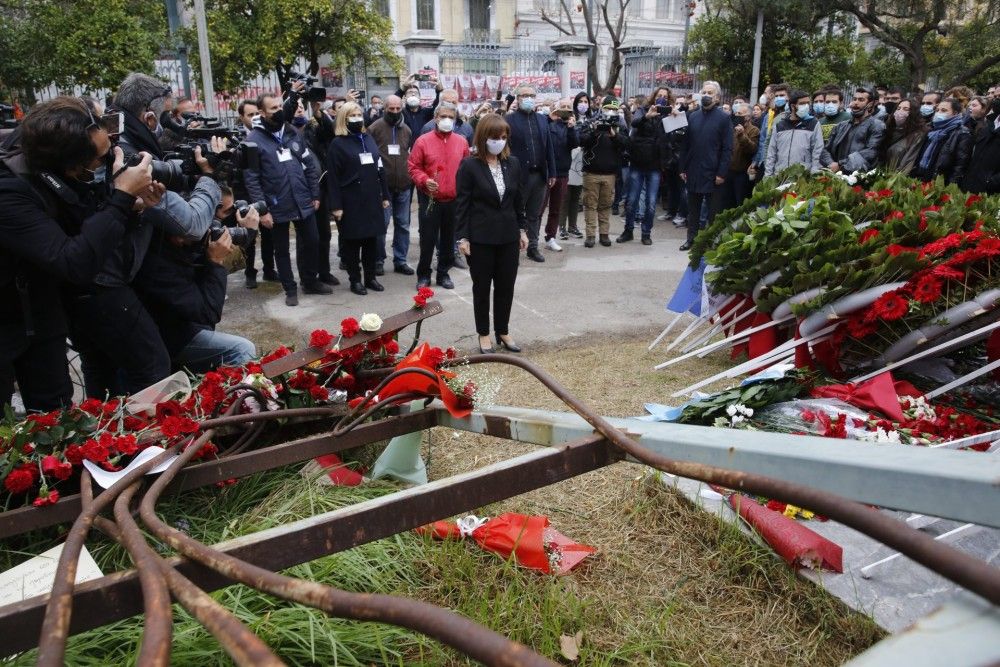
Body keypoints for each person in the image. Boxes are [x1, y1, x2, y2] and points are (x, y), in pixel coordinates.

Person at [0, 97, 155, 410]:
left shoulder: (55, 171)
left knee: (56, 417)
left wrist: (128, 206)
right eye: (96, 161)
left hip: (43, 317)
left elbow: (89, 226)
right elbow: (73, 261)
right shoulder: (10, 190)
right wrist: (121, 197)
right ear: (67, 165)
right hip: (7, 320)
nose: (105, 161)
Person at [134, 188, 257, 372]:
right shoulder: (159, 262)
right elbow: (209, 313)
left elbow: (234, 263)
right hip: (170, 338)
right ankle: (242, 398)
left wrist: (247, 234)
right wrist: (215, 261)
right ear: (178, 232)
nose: (209, 228)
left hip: (181, 327)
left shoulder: (180, 243)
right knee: (242, 349)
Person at [244, 92, 329, 307]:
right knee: (281, 250)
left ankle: (310, 281)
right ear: (262, 113)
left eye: (280, 106)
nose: (279, 111)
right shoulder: (252, 141)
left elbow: (309, 165)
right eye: (273, 108)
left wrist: (314, 193)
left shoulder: (292, 132)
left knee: (312, 241)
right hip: (275, 204)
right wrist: (263, 210)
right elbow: (251, 179)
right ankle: (290, 289)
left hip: (303, 200)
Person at [455, 115, 529, 355]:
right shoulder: (469, 166)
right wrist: (462, 237)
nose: (499, 141)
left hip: (508, 236)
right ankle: (484, 333)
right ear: (483, 137)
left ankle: (503, 331)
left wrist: (522, 229)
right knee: (482, 287)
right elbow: (462, 205)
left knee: (506, 286)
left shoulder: (513, 164)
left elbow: (519, 200)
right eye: (495, 137)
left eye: (503, 137)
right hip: (481, 238)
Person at [326, 103, 390, 295]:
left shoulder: (368, 138)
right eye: (352, 115)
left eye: (359, 114)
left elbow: (379, 168)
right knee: (353, 244)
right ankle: (355, 280)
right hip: (351, 201)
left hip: (372, 199)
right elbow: (333, 178)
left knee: (372, 241)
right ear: (344, 119)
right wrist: (336, 206)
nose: (357, 118)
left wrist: (385, 195)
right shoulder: (337, 144)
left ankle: (371, 277)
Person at [408, 104, 470, 290]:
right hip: (431, 199)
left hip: (453, 200)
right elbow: (413, 167)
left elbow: (467, 169)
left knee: (448, 239)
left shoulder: (461, 141)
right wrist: (424, 180)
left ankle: (443, 273)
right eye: (443, 116)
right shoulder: (423, 141)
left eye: (451, 117)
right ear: (435, 118)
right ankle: (424, 275)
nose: (446, 120)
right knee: (428, 239)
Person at [504, 85, 557, 263]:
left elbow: (548, 146)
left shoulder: (542, 119)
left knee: (534, 214)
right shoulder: (509, 120)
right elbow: (505, 149)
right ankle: (512, 248)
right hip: (519, 176)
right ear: (517, 99)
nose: (528, 98)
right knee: (515, 213)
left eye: (532, 95)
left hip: (539, 175)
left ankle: (533, 247)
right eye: (525, 95)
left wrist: (552, 172)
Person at [679, 81, 733, 252]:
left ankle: (711, 243)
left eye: (710, 92)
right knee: (693, 210)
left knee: (713, 212)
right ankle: (691, 240)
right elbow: (685, 145)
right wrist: (683, 168)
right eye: (704, 92)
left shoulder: (724, 118)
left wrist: (722, 173)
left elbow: (727, 148)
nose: (706, 95)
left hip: (713, 172)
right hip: (694, 170)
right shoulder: (693, 116)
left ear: (717, 97)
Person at [368, 94, 414, 276]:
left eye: (397, 108)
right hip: (382, 188)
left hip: (403, 185)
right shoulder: (374, 128)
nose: (395, 112)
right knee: (382, 224)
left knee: (403, 225)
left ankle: (400, 260)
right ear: (384, 108)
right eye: (391, 109)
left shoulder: (407, 130)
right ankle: (378, 259)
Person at [235, 99, 276, 287]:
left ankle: (269, 269)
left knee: (268, 234)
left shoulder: (267, 135)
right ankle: (250, 272)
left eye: (257, 114)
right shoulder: (235, 138)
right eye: (250, 115)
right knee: (249, 234)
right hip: (244, 194)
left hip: (265, 193)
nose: (255, 118)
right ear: (242, 117)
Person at [579, 96, 628, 248]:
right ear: (602, 107)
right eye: (608, 108)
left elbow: (626, 144)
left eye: (614, 109)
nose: (610, 112)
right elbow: (582, 140)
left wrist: (614, 135)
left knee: (605, 205)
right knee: (590, 205)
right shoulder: (591, 121)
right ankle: (591, 235)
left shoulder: (620, 124)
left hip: (610, 173)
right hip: (591, 172)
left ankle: (604, 234)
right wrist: (595, 131)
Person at [617, 95, 665, 245]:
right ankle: (628, 230)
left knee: (651, 203)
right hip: (638, 163)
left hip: (655, 166)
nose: (661, 98)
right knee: (632, 200)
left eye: (665, 96)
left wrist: (676, 116)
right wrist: (647, 116)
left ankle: (646, 233)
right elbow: (635, 123)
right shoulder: (642, 110)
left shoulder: (668, 115)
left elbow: (673, 136)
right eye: (659, 95)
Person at [540, 99, 578, 251]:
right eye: (563, 107)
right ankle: (532, 238)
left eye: (568, 108)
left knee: (556, 208)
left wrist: (571, 128)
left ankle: (551, 237)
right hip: (546, 172)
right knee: (539, 208)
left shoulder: (571, 127)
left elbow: (575, 143)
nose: (566, 110)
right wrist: (550, 117)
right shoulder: (548, 123)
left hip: (562, 172)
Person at [822, 86, 884, 173]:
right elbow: (825, 150)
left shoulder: (877, 126)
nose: (855, 103)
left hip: (860, 179)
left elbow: (870, 152)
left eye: (861, 100)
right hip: (836, 176)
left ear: (871, 104)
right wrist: (831, 163)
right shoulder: (841, 126)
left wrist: (840, 165)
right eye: (854, 99)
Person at [911, 97, 972, 185]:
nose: (939, 113)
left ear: (955, 113)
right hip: (920, 178)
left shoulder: (962, 134)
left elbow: (960, 166)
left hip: (939, 183)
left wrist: (949, 188)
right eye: (937, 110)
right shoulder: (931, 129)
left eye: (944, 110)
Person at [764, 89, 823, 177]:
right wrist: (768, 176)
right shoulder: (780, 125)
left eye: (808, 103)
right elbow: (771, 153)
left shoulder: (813, 123)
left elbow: (817, 151)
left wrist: (814, 174)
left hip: (802, 178)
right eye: (802, 103)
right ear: (793, 106)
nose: (806, 106)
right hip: (780, 176)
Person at [722, 99, 759, 209]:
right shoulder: (731, 128)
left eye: (740, 114)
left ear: (747, 116)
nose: (737, 115)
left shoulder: (754, 130)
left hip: (742, 174)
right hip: (728, 171)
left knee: (740, 203)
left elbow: (752, 149)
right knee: (727, 203)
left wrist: (742, 135)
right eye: (736, 113)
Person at [876, 98, 926, 175]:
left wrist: (893, 178)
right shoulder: (889, 129)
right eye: (898, 108)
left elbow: (908, 162)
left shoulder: (918, 134)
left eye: (906, 109)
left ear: (913, 113)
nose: (900, 111)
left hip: (896, 179)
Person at [962, 97, 1000, 194]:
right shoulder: (988, 126)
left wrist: (991, 182)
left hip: (990, 194)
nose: (996, 99)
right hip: (968, 188)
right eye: (996, 96)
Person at [399, 76, 442, 147]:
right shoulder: (400, 113)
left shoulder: (426, 113)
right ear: (405, 97)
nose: (413, 94)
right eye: (410, 92)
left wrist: (439, 91)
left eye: (415, 93)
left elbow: (438, 105)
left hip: (424, 148)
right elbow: (392, 102)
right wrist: (402, 88)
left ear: (420, 97)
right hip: (405, 149)